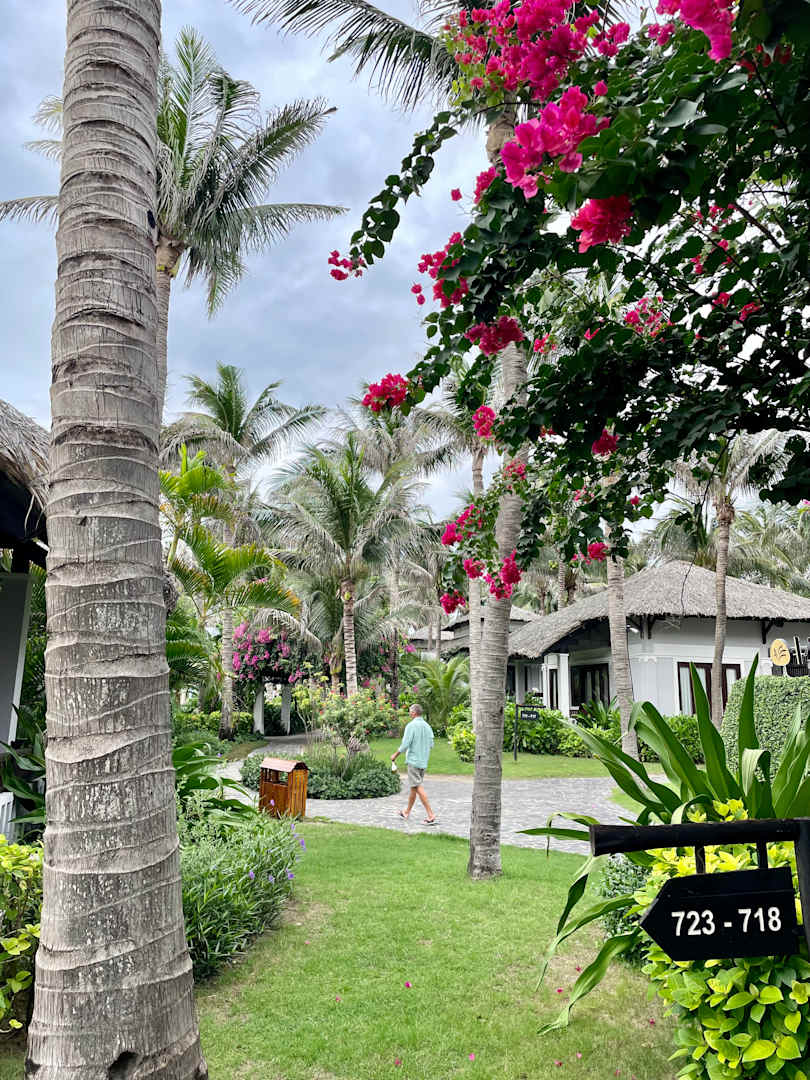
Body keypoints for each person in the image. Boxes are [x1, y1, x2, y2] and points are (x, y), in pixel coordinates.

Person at [391, 703, 436, 825]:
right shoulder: (427, 726)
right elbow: (431, 744)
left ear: (414, 713)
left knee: (417, 786)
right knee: (414, 788)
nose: (409, 713)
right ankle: (407, 812)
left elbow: (405, 744)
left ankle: (431, 814)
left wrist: (395, 755)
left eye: (410, 711)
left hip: (413, 761)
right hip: (423, 761)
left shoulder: (411, 726)